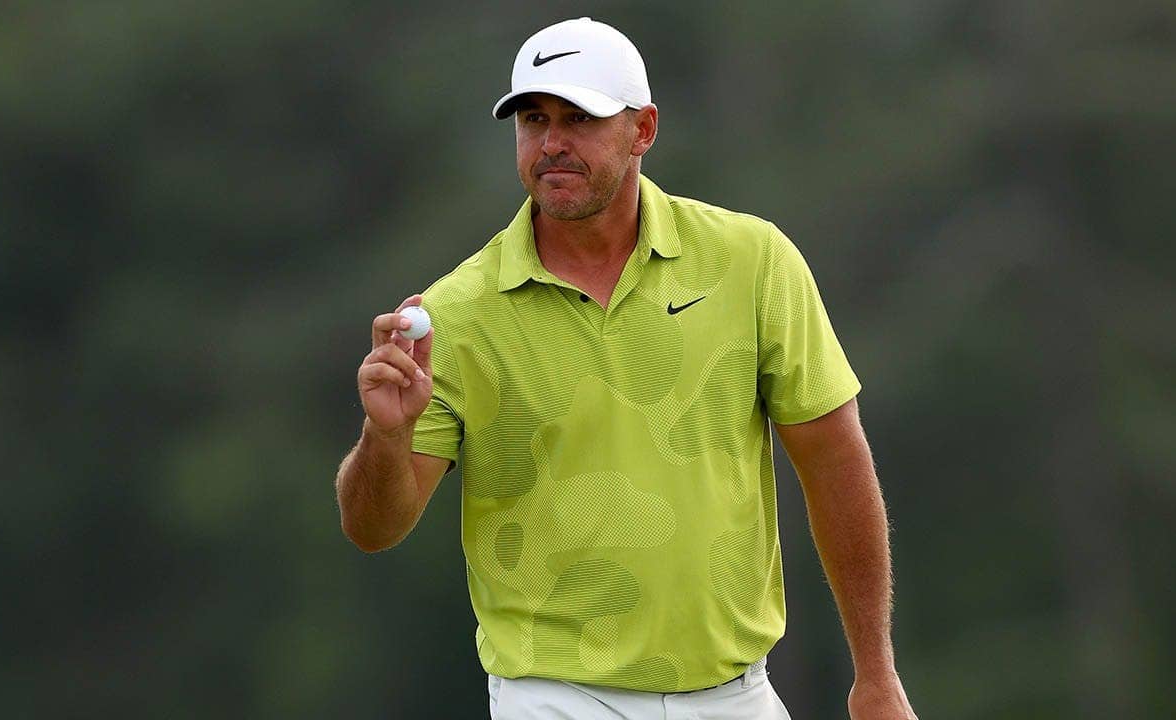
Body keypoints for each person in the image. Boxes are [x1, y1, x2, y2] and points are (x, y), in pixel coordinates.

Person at [336, 16, 917, 720]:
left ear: (643, 129)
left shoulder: (752, 261)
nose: (551, 143)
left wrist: (875, 673)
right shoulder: (455, 313)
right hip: (553, 694)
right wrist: (386, 436)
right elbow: (374, 528)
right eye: (533, 119)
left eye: (579, 119)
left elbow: (832, 460)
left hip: (736, 693)